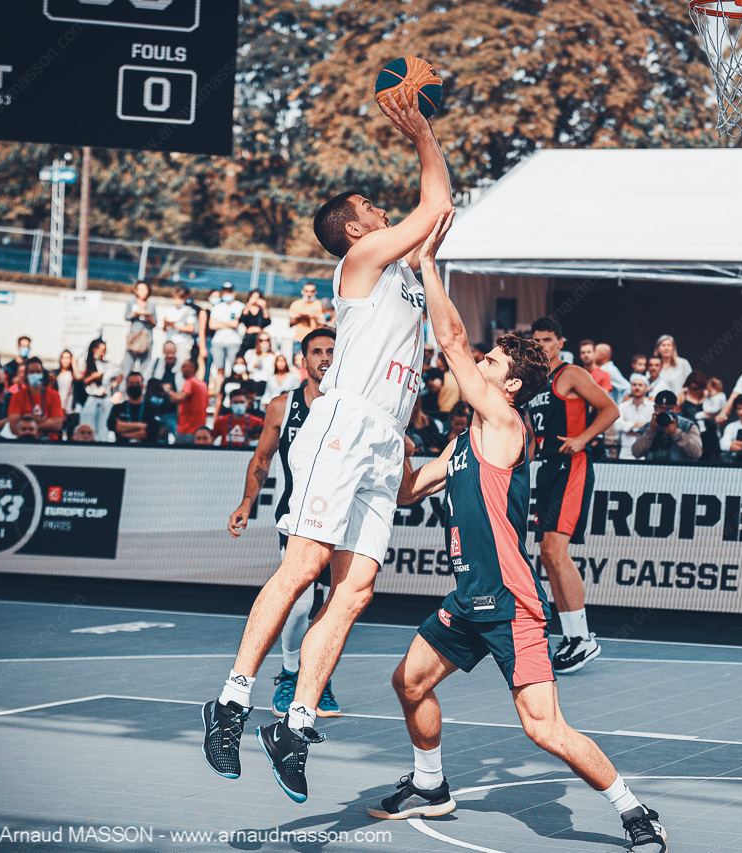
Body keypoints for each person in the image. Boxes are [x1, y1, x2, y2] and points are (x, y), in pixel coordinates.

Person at [370, 221, 669, 852]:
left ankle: (634, 810)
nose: (478, 362)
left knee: (544, 728)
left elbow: (452, 340)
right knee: (409, 682)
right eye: (483, 359)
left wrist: (427, 263)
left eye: (491, 363)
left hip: (510, 602)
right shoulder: (463, 441)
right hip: (467, 599)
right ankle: (430, 784)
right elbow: (406, 492)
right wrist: (391, 435)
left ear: (509, 387)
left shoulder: (505, 424)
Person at [202, 89, 454, 802]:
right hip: (344, 425)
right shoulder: (362, 262)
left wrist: (429, 153)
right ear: (352, 228)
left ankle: (297, 720)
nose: (380, 208)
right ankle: (230, 699)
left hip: (386, 436)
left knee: (357, 588)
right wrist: (420, 130)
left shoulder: (404, 271)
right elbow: (434, 202)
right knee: (306, 564)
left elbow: (440, 214)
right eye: (370, 206)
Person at [228, 328, 340, 717]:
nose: (325, 357)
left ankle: (319, 679)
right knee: (299, 601)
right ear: (303, 360)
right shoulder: (282, 406)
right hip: (296, 517)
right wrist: (247, 502)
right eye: (317, 351)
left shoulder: (351, 404)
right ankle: (291, 673)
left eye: (331, 350)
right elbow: (262, 459)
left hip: (341, 518)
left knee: (334, 604)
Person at [527, 315, 618, 674]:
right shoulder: (535, 382)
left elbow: (611, 409)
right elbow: (533, 437)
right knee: (547, 555)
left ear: (560, 343)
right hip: (548, 468)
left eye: (547, 339)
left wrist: (582, 439)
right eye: (536, 340)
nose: (541, 345)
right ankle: (572, 636)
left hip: (572, 465)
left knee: (554, 551)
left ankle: (583, 637)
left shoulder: (572, 374)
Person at [631, 390, 702, 463]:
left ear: (676, 408)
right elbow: (636, 453)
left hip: (679, 468)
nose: (664, 411)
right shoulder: (648, 427)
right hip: (654, 468)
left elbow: (697, 453)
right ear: (655, 408)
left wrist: (676, 433)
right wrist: (651, 431)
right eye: (660, 408)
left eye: (669, 408)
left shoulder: (687, 426)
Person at [8, 358, 64, 440]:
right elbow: (13, 427)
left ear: (43, 374)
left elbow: (57, 425)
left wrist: (30, 423)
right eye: (31, 372)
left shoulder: (54, 395)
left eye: (38, 372)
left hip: (49, 442)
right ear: (26, 375)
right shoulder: (17, 396)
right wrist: (45, 421)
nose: (35, 375)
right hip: (24, 441)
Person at [209, 282, 245, 400]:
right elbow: (212, 325)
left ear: (233, 292)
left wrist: (220, 323)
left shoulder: (240, 306)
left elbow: (235, 324)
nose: (227, 294)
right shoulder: (217, 307)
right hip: (218, 341)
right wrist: (228, 323)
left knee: (235, 370)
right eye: (225, 291)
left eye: (229, 291)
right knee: (219, 370)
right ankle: (218, 395)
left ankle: (234, 396)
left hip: (234, 342)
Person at [106, 372, 163, 444]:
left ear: (143, 386)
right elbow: (112, 425)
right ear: (127, 386)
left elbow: (151, 431)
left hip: (146, 448)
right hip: (123, 448)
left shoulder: (152, 408)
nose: (134, 386)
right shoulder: (118, 408)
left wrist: (123, 432)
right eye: (131, 384)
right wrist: (141, 426)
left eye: (137, 384)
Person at [77, 338, 115, 442]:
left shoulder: (106, 363)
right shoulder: (86, 362)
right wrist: (93, 377)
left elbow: (118, 375)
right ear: (94, 349)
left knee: (103, 427)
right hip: (91, 398)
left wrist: (114, 385)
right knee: (88, 426)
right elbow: (81, 380)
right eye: (102, 350)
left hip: (105, 398)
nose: (103, 353)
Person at [147, 341, 184, 439]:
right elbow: (147, 382)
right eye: (167, 353)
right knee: (160, 442)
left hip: (175, 414)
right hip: (157, 414)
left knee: (178, 440)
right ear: (163, 352)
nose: (170, 356)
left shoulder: (182, 367)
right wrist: (162, 387)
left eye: (172, 353)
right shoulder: (156, 364)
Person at [166, 359, 208, 445]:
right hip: (198, 431)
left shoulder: (190, 382)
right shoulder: (203, 384)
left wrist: (168, 390)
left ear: (192, 368)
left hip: (186, 430)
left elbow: (179, 398)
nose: (182, 369)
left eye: (184, 366)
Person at [613, 375, 654, 462]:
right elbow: (617, 425)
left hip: (646, 451)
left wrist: (628, 426)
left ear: (646, 388)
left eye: (640, 385)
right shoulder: (623, 406)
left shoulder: (652, 407)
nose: (637, 387)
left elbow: (652, 425)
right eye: (634, 385)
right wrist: (640, 426)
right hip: (625, 451)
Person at [122, 281, 158, 376]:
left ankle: (142, 384)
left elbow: (155, 322)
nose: (143, 292)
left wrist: (148, 317)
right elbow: (127, 316)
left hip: (147, 338)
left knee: (145, 367)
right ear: (136, 291)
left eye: (145, 289)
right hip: (134, 337)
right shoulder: (131, 302)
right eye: (140, 289)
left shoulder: (151, 304)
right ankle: (124, 385)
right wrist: (136, 313)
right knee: (127, 365)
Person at [288, 283, 327, 356]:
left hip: (314, 341)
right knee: (298, 361)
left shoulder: (319, 304)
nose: (309, 294)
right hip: (299, 340)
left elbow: (323, 325)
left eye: (312, 291)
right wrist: (300, 317)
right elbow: (290, 324)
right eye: (307, 291)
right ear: (302, 292)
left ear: (315, 292)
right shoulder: (296, 304)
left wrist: (314, 318)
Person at [161, 287, 198, 361]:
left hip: (182, 342)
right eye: (175, 297)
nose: (177, 300)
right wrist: (166, 324)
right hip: (170, 342)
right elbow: (164, 329)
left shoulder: (189, 310)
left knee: (181, 364)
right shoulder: (169, 310)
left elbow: (191, 328)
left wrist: (174, 326)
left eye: (180, 297)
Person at [239, 289, 271, 358]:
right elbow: (242, 319)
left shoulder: (262, 310)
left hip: (259, 337)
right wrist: (249, 305)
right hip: (248, 336)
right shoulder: (247, 309)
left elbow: (267, 321)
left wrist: (264, 307)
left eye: (257, 297)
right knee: (244, 355)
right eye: (253, 297)